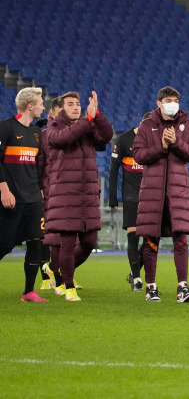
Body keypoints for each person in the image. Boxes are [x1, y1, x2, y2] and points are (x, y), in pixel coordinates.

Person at [132, 86, 189, 303]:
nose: (173, 103)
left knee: (180, 239)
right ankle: (151, 287)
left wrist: (176, 142)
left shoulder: (187, 124)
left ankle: (183, 287)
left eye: (175, 100)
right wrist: (162, 146)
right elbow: (138, 155)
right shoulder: (147, 125)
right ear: (159, 103)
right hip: (153, 193)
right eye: (168, 100)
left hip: (177, 193)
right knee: (151, 240)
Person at [47, 91, 114, 302]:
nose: (76, 107)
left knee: (89, 241)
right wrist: (88, 119)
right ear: (61, 109)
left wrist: (98, 115)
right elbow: (63, 138)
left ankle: (57, 272)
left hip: (87, 195)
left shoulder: (87, 126)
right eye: (70, 104)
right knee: (67, 242)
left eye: (78, 104)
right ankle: (68, 287)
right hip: (65, 193)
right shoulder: (54, 127)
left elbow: (107, 136)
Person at [0, 88, 48, 302]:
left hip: (33, 198)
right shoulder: (5, 127)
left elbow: (35, 165)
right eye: (41, 103)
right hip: (11, 197)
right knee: (5, 244)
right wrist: (3, 189)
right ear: (30, 105)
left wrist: (39, 188)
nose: (43, 107)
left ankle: (29, 291)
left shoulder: (36, 133)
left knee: (36, 242)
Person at [109, 113, 150, 291]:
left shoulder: (156, 141)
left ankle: (134, 272)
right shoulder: (124, 139)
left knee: (151, 241)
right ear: (140, 123)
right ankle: (137, 280)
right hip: (131, 196)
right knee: (133, 237)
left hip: (151, 197)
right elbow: (113, 170)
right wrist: (113, 197)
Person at [37, 96, 65, 293]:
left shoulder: (70, 136)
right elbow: (38, 167)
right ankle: (47, 278)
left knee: (65, 239)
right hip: (47, 194)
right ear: (52, 114)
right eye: (60, 112)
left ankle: (62, 277)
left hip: (64, 195)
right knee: (46, 238)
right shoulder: (43, 136)